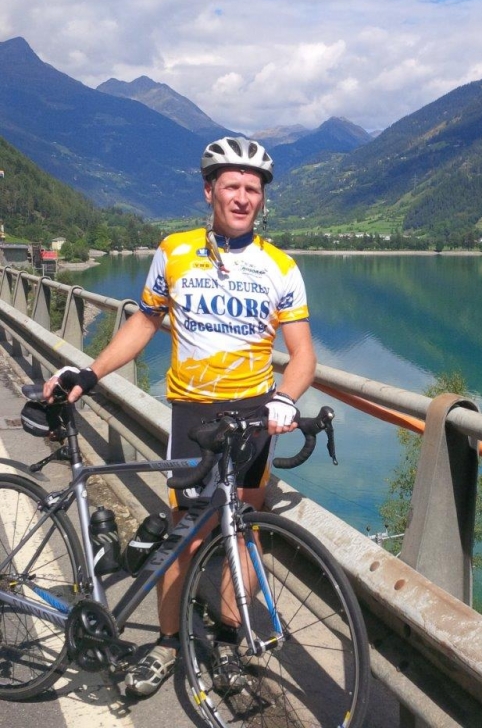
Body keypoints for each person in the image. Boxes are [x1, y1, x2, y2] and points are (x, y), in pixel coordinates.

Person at [44, 136, 316, 698]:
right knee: (184, 537)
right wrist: (90, 374)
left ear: (263, 199)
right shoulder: (175, 251)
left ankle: (226, 635)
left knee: (242, 535)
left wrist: (286, 399)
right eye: (233, 186)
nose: (243, 197)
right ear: (210, 190)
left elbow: (304, 355)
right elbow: (143, 323)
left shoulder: (280, 267)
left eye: (253, 189)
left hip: (253, 414)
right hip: (193, 411)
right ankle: (169, 645)